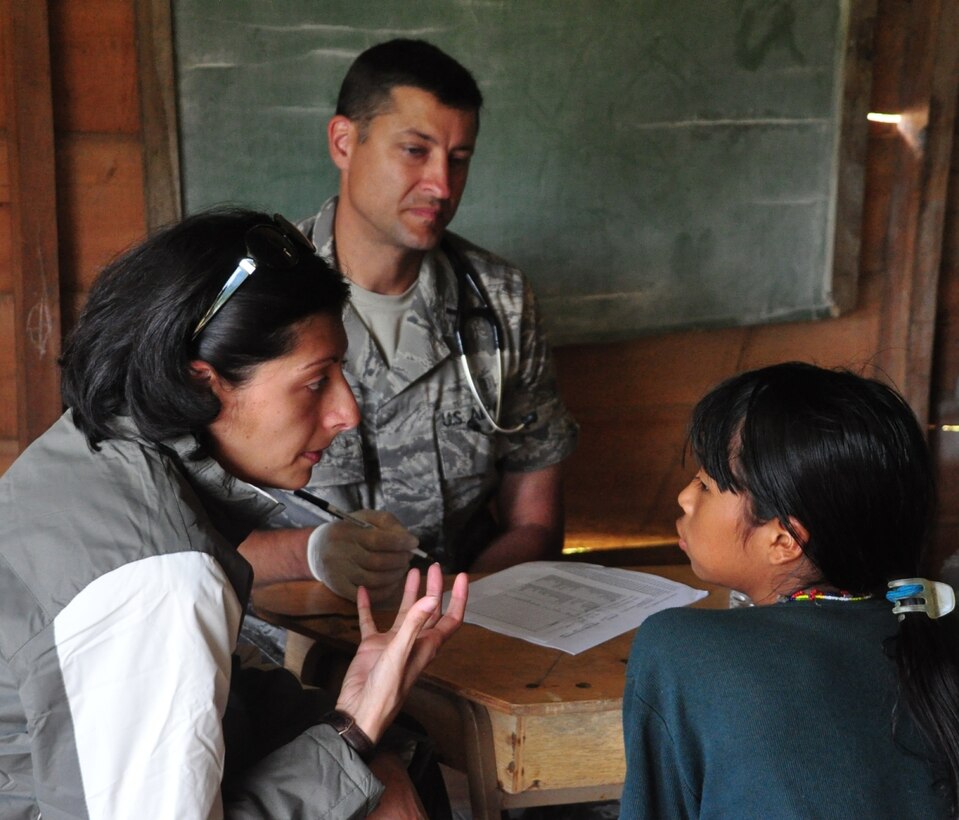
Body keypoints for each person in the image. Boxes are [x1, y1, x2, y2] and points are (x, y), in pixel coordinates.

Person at [0, 207, 468, 819]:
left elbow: (216, 709)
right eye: (315, 380)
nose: (346, 412)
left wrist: (357, 741)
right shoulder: (158, 578)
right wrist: (354, 732)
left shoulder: (87, 448)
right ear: (204, 383)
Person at [240, 38, 578, 607]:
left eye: (459, 158)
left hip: (460, 626)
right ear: (344, 142)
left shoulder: (501, 301)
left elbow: (535, 521)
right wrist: (314, 552)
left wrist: (451, 608)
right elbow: (186, 526)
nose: (442, 186)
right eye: (415, 151)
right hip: (292, 642)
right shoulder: (251, 295)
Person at [620, 362, 959, 818]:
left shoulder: (682, 651)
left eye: (706, 484)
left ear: (783, 540)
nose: (685, 496)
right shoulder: (932, 632)